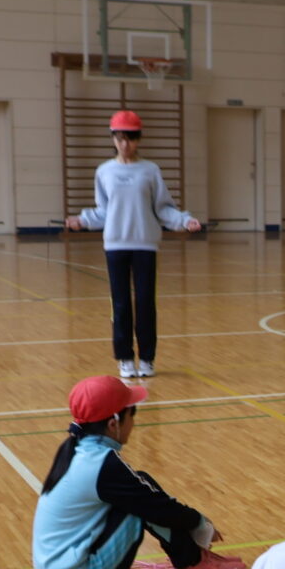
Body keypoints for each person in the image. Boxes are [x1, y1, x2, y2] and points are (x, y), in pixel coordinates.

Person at [32, 375, 246, 569]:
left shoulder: (76, 447)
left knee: (140, 485)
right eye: (131, 416)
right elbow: (157, 507)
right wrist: (200, 523)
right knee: (141, 508)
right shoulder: (102, 464)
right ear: (114, 424)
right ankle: (192, 568)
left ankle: (191, 560)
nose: (134, 424)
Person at [64, 110, 201, 380]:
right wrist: (82, 220)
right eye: (120, 138)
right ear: (113, 139)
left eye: (130, 139)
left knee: (146, 303)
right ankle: (125, 358)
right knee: (121, 304)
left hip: (145, 246)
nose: (125, 144)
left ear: (139, 140)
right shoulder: (104, 171)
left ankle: (147, 358)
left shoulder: (150, 170)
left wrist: (185, 221)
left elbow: (163, 208)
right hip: (115, 246)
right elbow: (104, 211)